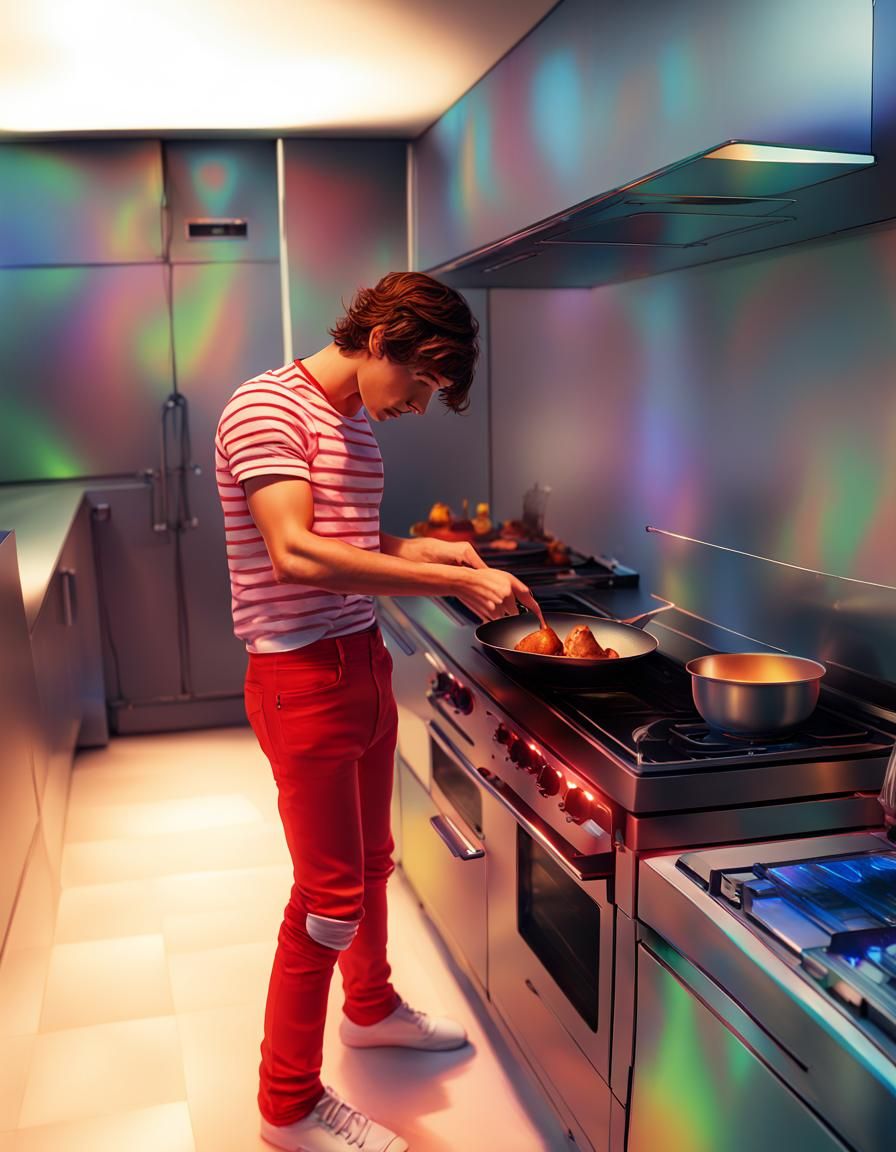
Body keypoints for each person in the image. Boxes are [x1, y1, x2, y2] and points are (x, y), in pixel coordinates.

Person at [214, 271, 539, 1152]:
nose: (420, 404)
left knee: (370, 863)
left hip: (360, 659)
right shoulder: (265, 408)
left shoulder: (352, 420)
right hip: (299, 675)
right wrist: (451, 576)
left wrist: (423, 547)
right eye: (424, 383)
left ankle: (370, 1009)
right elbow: (295, 553)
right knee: (325, 898)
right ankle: (286, 1106)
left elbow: (349, 541)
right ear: (388, 337)